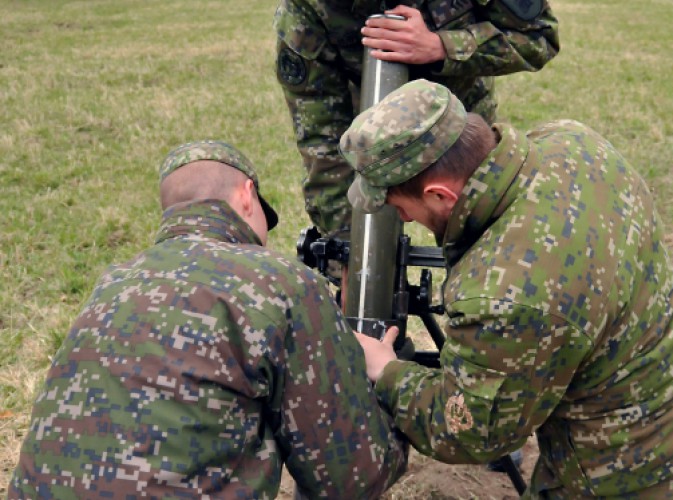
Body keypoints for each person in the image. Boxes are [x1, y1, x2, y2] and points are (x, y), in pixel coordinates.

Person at [339, 80, 673, 498]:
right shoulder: (572, 141)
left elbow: (473, 431)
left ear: (439, 195)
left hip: (621, 459)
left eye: (400, 208)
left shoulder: (505, 294)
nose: (404, 219)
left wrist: (387, 371)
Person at [8, 141, 408, 499]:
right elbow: (351, 479)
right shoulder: (282, 282)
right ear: (247, 196)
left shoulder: (113, 281)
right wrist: (385, 382)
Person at [273, 0, 560, 240]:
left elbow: (539, 37)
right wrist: (346, 251)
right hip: (368, 136)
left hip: (459, 135)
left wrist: (442, 46)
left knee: (482, 242)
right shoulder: (308, 7)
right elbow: (321, 140)